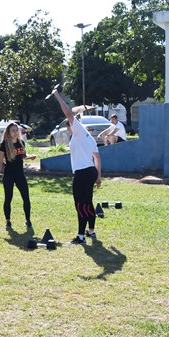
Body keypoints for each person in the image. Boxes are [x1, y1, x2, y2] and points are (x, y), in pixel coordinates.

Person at [51, 87, 102, 244]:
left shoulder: (78, 131)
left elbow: (68, 113)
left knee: (80, 205)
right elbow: (97, 158)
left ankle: (81, 237)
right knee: (87, 203)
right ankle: (91, 231)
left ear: (71, 126)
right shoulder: (89, 138)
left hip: (82, 173)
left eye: (68, 127)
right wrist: (98, 176)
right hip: (91, 172)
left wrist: (57, 96)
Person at [0, 122, 36, 231]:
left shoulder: (21, 142)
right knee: (8, 198)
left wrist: (30, 157)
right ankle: (8, 221)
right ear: (8, 132)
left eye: (16, 130)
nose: (15, 132)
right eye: (13, 130)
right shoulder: (4, 144)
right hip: (9, 174)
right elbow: (0, 161)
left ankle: (28, 220)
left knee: (26, 197)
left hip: (19, 174)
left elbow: (24, 156)